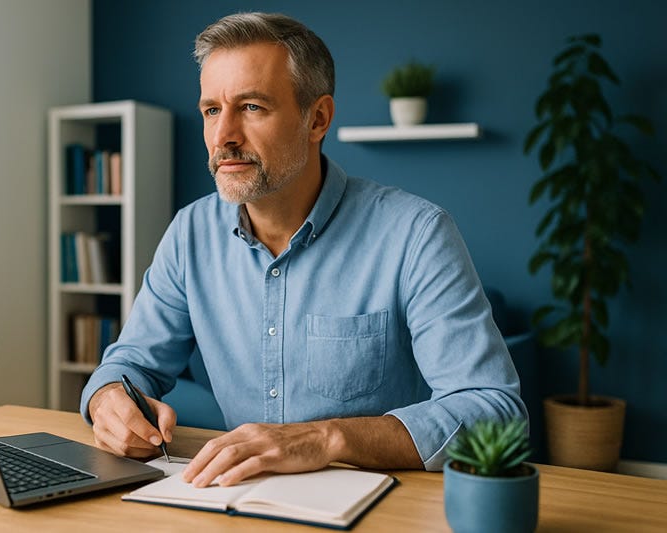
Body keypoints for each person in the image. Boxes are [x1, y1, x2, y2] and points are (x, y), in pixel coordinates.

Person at [81, 12, 526, 488]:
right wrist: (108, 398)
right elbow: (131, 362)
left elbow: (493, 409)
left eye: (251, 107)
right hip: (234, 499)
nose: (222, 136)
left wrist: (325, 439)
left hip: (381, 507)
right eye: (212, 110)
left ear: (318, 119)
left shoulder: (417, 234)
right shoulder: (190, 233)